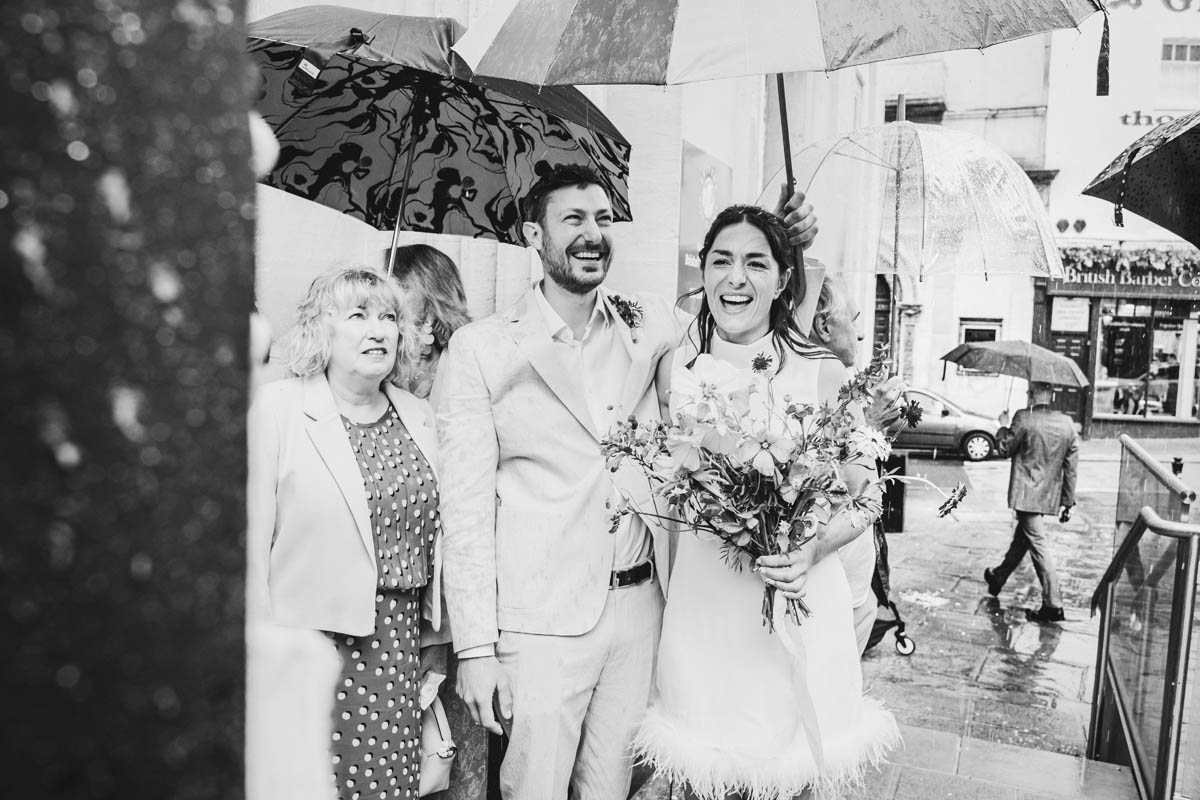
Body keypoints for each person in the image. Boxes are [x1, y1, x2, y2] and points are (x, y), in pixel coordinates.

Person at [434, 164, 817, 800]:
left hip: (641, 614)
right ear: (535, 234)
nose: (593, 234)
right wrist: (474, 648)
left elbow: (743, 299)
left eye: (604, 220)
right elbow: (465, 509)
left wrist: (796, 242)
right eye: (574, 220)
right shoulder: (482, 349)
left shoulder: (648, 323)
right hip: (540, 625)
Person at [635, 207, 898, 800]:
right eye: (721, 261)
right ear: (701, 272)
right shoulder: (675, 366)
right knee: (703, 765)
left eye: (756, 263)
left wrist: (811, 547)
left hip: (798, 596)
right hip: (706, 601)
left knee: (788, 767)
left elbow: (868, 495)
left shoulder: (822, 373)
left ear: (783, 280)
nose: (736, 278)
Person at [247, 265, 444, 800]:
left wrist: (438, 641)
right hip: (311, 644)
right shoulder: (279, 409)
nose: (377, 329)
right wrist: (260, 654)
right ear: (320, 330)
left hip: (399, 647)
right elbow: (248, 543)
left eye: (388, 316)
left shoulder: (420, 416)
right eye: (357, 315)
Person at [389, 243, 491, 800]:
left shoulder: (464, 377)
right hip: (406, 600)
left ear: (427, 319)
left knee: (455, 747)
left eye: (393, 309)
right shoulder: (387, 382)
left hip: (454, 601)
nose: (383, 323)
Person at [810, 273, 888, 655]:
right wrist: (871, 427)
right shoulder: (832, 381)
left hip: (850, 580)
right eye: (853, 319)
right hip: (836, 583)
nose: (859, 334)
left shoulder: (841, 382)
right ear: (824, 325)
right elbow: (860, 491)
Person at [983, 381, 1078, 623]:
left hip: (1026, 494)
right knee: (1022, 539)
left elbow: (1004, 449)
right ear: (1052, 394)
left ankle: (1053, 605)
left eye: (1029, 393)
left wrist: (1002, 426)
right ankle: (998, 577)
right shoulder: (1066, 423)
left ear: (1032, 394)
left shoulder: (1024, 418)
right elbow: (1071, 466)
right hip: (1048, 495)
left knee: (1038, 545)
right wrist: (1067, 500)